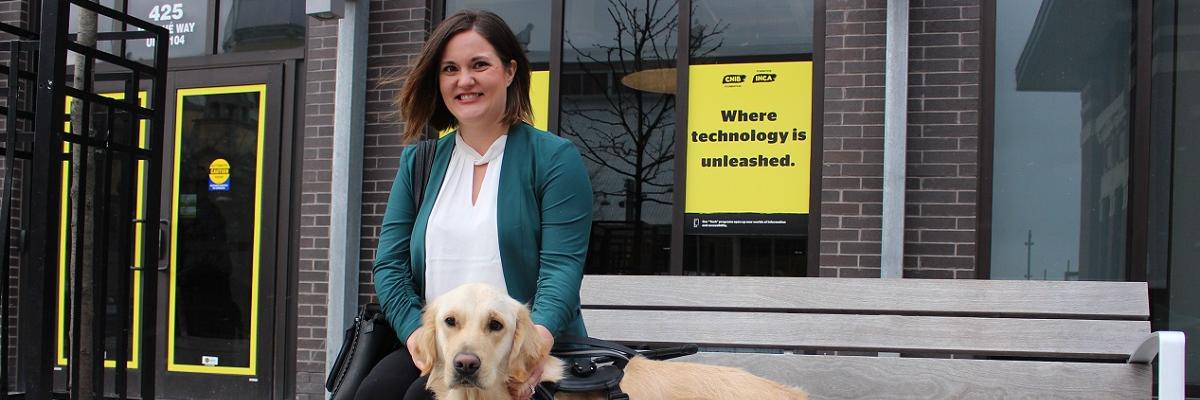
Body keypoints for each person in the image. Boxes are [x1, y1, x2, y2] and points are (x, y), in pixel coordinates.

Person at [355, 9, 593, 400]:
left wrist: (536, 342)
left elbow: (561, 267)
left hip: (517, 349)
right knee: (370, 395)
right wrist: (415, 332)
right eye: (450, 69)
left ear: (510, 71)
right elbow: (390, 264)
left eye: (479, 65)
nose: (464, 80)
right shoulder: (419, 164)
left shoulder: (553, 159)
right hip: (441, 345)